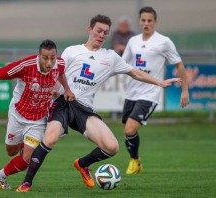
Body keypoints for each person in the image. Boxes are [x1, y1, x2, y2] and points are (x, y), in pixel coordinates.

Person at [16, 14, 181, 192]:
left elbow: (135, 72)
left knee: (112, 147)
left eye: (105, 32)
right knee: (50, 139)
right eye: (99, 30)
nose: (102, 35)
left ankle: (82, 164)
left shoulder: (110, 58)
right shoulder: (72, 51)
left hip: (84, 109)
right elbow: (58, 75)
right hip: (63, 102)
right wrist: (53, 90)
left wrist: (159, 82)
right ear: (90, 30)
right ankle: (27, 183)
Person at [0, 39, 75, 189]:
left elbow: (61, 73)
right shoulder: (26, 66)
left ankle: (0, 175)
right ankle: (24, 142)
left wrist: (66, 89)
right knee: (11, 152)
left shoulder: (60, 64)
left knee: (28, 158)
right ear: (39, 56)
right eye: (45, 58)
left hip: (39, 118)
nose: (49, 62)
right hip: (18, 114)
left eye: (53, 58)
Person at [121, 6, 189, 175]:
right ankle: (135, 161)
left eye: (149, 21)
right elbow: (122, 64)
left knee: (129, 129)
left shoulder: (164, 41)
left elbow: (179, 64)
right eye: (143, 20)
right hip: (132, 93)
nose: (146, 23)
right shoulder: (133, 41)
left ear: (155, 22)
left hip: (150, 94)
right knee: (128, 132)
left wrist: (185, 90)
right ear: (139, 21)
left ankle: (134, 162)